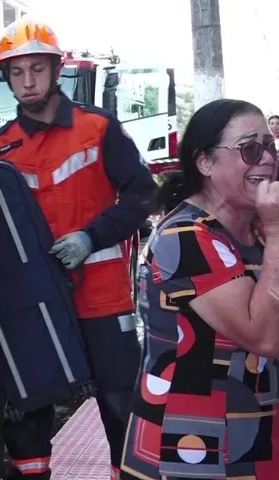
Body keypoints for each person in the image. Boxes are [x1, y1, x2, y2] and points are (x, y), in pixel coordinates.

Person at [0, 18, 157, 480]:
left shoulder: (98, 128)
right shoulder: (0, 147)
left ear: (56, 69)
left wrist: (90, 237)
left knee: (120, 403)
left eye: (36, 69)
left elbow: (144, 195)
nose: (27, 81)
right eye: (17, 72)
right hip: (35, 302)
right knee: (28, 408)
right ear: (6, 77)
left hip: (101, 297)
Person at [120, 99, 279, 478]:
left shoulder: (254, 229)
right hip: (192, 445)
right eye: (249, 149)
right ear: (205, 162)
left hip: (251, 430)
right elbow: (263, 336)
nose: (267, 159)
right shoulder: (185, 237)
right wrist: (276, 232)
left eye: (269, 146)